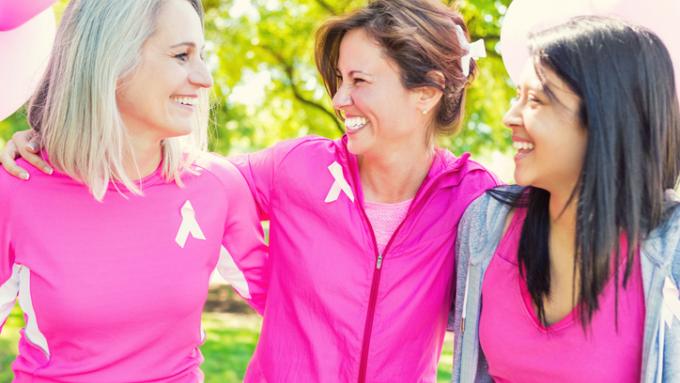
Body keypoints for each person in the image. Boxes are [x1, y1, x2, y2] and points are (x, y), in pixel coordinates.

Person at [2, 0, 498, 381]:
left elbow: (510, 313)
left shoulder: (475, 200)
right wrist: (51, 144)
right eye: (339, 79)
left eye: (360, 80)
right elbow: (160, 178)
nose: (339, 98)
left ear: (428, 93)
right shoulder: (297, 168)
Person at [0, 0, 267, 381]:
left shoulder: (216, 187)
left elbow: (300, 312)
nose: (205, 78)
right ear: (112, 61)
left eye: (201, 55)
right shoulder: (17, 188)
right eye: (181, 56)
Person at [450, 16, 680, 383]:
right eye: (516, 96)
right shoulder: (487, 223)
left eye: (536, 101)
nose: (510, 117)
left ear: (606, 117)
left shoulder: (671, 250)